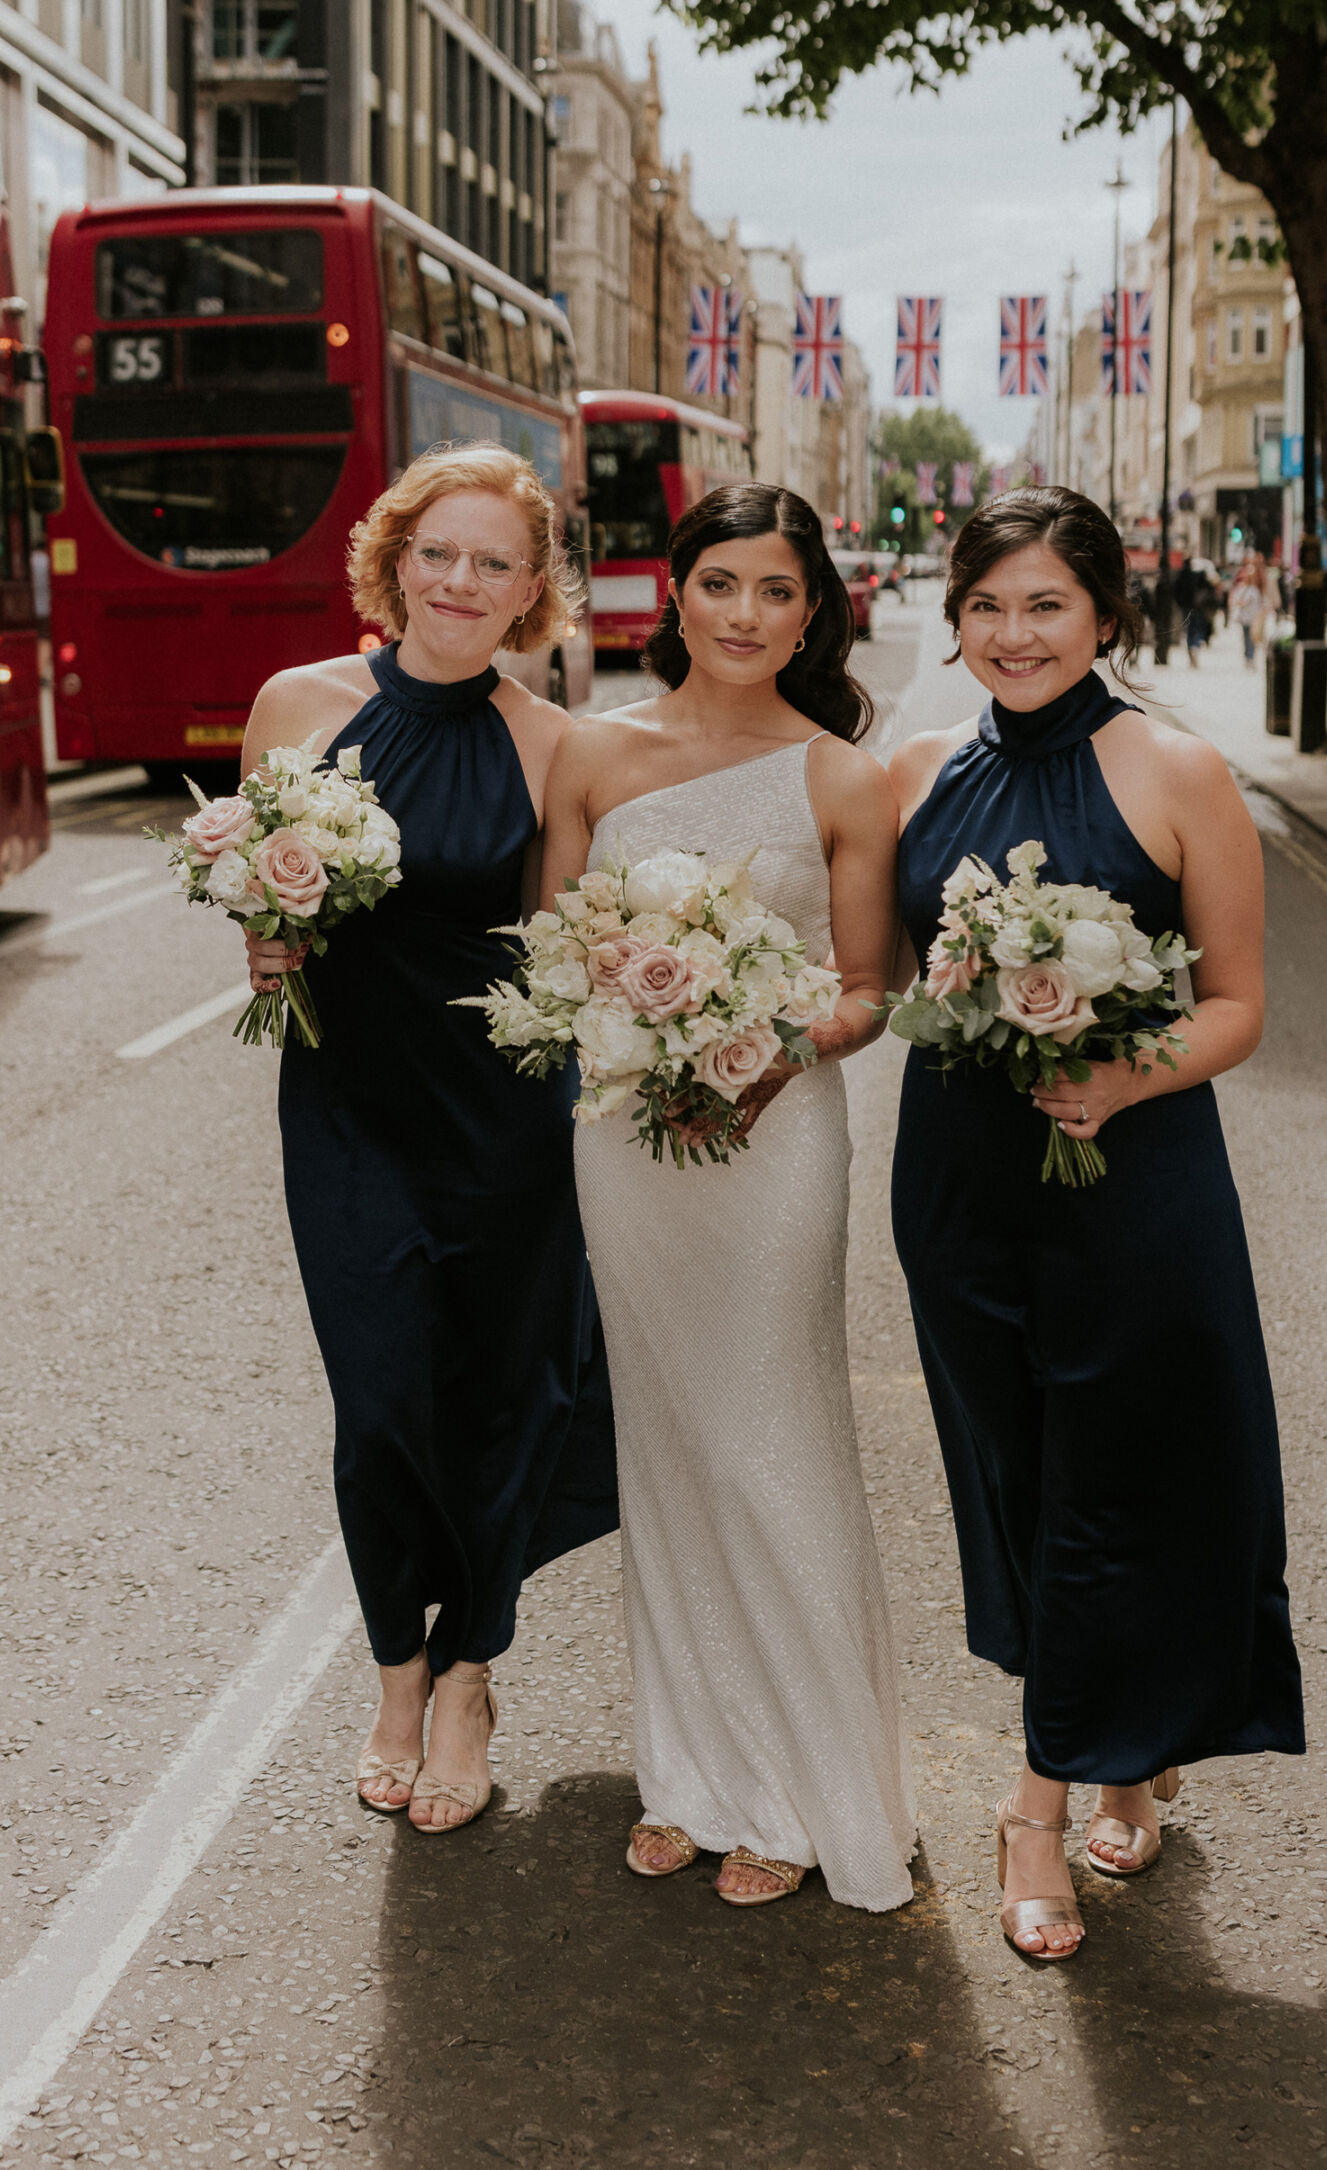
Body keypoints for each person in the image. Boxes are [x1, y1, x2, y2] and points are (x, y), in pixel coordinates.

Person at [887, 485, 1303, 1962]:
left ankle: (1035, 1802)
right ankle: (1121, 1730)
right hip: (959, 1188)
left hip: (1140, 1181)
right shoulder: (915, 774)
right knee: (1022, 1479)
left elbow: (1242, 1005)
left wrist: (1128, 1069)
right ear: (956, 619)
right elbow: (874, 987)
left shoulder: (1184, 772)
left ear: (1107, 616)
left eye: (1045, 603)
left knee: (1120, 1473)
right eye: (987, 604)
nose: (1013, 632)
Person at [539, 483, 915, 1912]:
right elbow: (554, 951)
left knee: (769, 1438)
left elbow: (868, 992)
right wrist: (629, 1016)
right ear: (673, 591)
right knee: (671, 1450)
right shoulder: (589, 753)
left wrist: (769, 1044)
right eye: (722, 583)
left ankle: (802, 1790)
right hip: (628, 1135)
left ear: (811, 611)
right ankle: (691, 1775)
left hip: (772, 1139)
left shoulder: (838, 774)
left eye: (778, 590)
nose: (747, 614)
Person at [240, 446, 618, 1833]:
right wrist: (263, 939)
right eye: (437, 551)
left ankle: (466, 1674)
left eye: (494, 562)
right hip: (347, 1103)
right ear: (395, 556)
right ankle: (394, 1665)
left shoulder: (551, 741)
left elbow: (563, 950)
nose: (460, 581)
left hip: (503, 1113)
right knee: (382, 1400)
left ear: (533, 590)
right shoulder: (297, 706)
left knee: (503, 1394)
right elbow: (255, 897)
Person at [1230, 549, 1273, 668]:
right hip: (1245, 617)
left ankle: (1251, 656)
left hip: (1253, 616)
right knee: (1246, 637)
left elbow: (1263, 597)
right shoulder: (1243, 587)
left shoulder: (1257, 586)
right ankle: (1248, 656)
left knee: (1253, 637)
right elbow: (1235, 598)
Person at [1173, 551, 1213, 665]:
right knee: (1198, 628)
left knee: (1189, 629)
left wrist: (1180, 603)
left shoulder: (1181, 576)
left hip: (1186, 607)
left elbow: (1175, 592)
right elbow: (1209, 589)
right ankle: (1196, 646)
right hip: (1198, 607)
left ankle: (1191, 647)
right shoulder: (1198, 576)